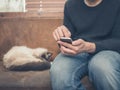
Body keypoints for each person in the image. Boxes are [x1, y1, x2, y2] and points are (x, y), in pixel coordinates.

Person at [50, 0, 120, 90]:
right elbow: (69, 37)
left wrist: (90, 46)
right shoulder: (70, 5)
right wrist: (62, 39)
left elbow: (118, 40)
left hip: (108, 51)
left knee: (101, 66)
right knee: (59, 70)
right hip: (79, 52)